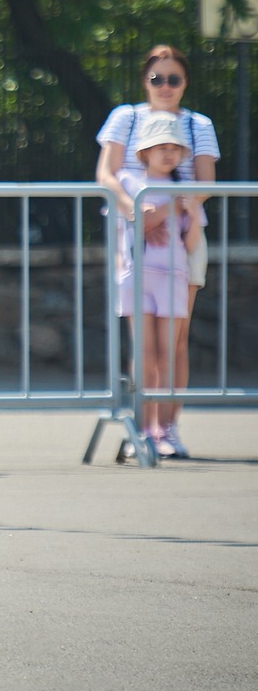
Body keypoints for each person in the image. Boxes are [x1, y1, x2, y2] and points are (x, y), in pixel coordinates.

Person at [95, 45, 219, 459]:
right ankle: (143, 427)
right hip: (134, 243)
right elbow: (106, 174)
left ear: (185, 82)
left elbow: (204, 184)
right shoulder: (125, 118)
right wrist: (136, 214)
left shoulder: (198, 124)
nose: (165, 87)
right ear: (144, 81)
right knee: (143, 344)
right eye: (157, 78)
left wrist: (168, 213)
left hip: (183, 239)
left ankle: (170, 427)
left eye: (174, 79)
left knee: (175, 342)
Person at [111, 112, 202, 459]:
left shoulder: (185, 190)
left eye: (173, 148)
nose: (167, 154)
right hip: (138, 277)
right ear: (144, 152)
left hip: (172, 278)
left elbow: (190, 241)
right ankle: (144, 427)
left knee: (167, 355)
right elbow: (137, 223)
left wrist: (190, 211)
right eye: (159, 147)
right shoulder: (130, 184)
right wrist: (162, 212)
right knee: (145, 355)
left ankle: (165, 428)